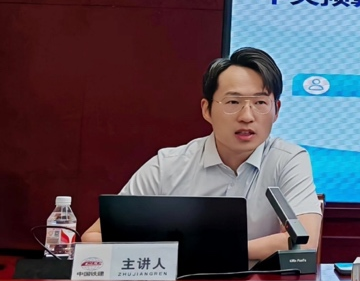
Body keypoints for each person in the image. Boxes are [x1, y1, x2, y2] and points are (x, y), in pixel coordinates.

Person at [82, 47, 322, 261]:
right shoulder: (168, 165)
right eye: (233, 102)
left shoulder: (288, 160)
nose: (247, 116)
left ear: (276, 110)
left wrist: (205, 251)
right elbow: (94, 237)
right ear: (207, 109)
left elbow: (304, 241)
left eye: (260, 103)